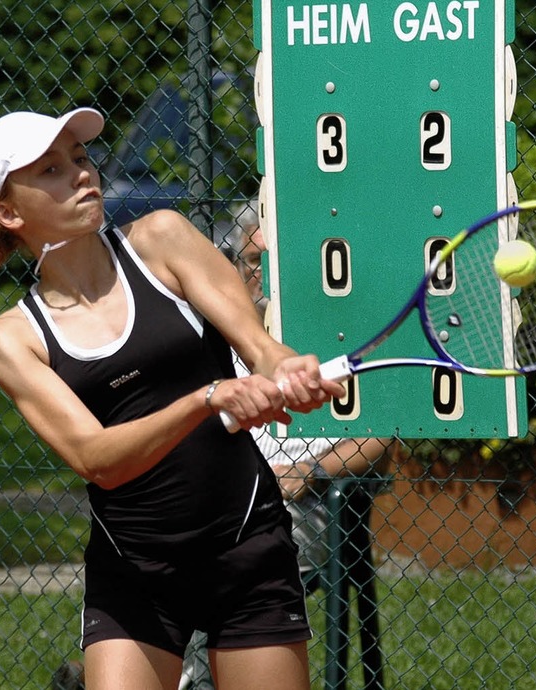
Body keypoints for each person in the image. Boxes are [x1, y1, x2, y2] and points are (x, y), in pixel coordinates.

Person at [0, 107, 347, 690]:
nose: (82, 174)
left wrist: (289, 369)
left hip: (247, 542)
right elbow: (98, 460)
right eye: (52, 169)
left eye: (82, 158)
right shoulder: (13, 339)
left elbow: (259, 347)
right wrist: (207, 399)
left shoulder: (163, 238)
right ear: (7, 212)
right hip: (135, 571)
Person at [180, 202, 391, 689]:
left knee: (210, 571)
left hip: (304, 505)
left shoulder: (336, 331)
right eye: (251, 261)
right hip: (219, 503)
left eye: (270, 263)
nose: (260, 275)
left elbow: (380, 437)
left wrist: (310, 472)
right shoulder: (218, 337)